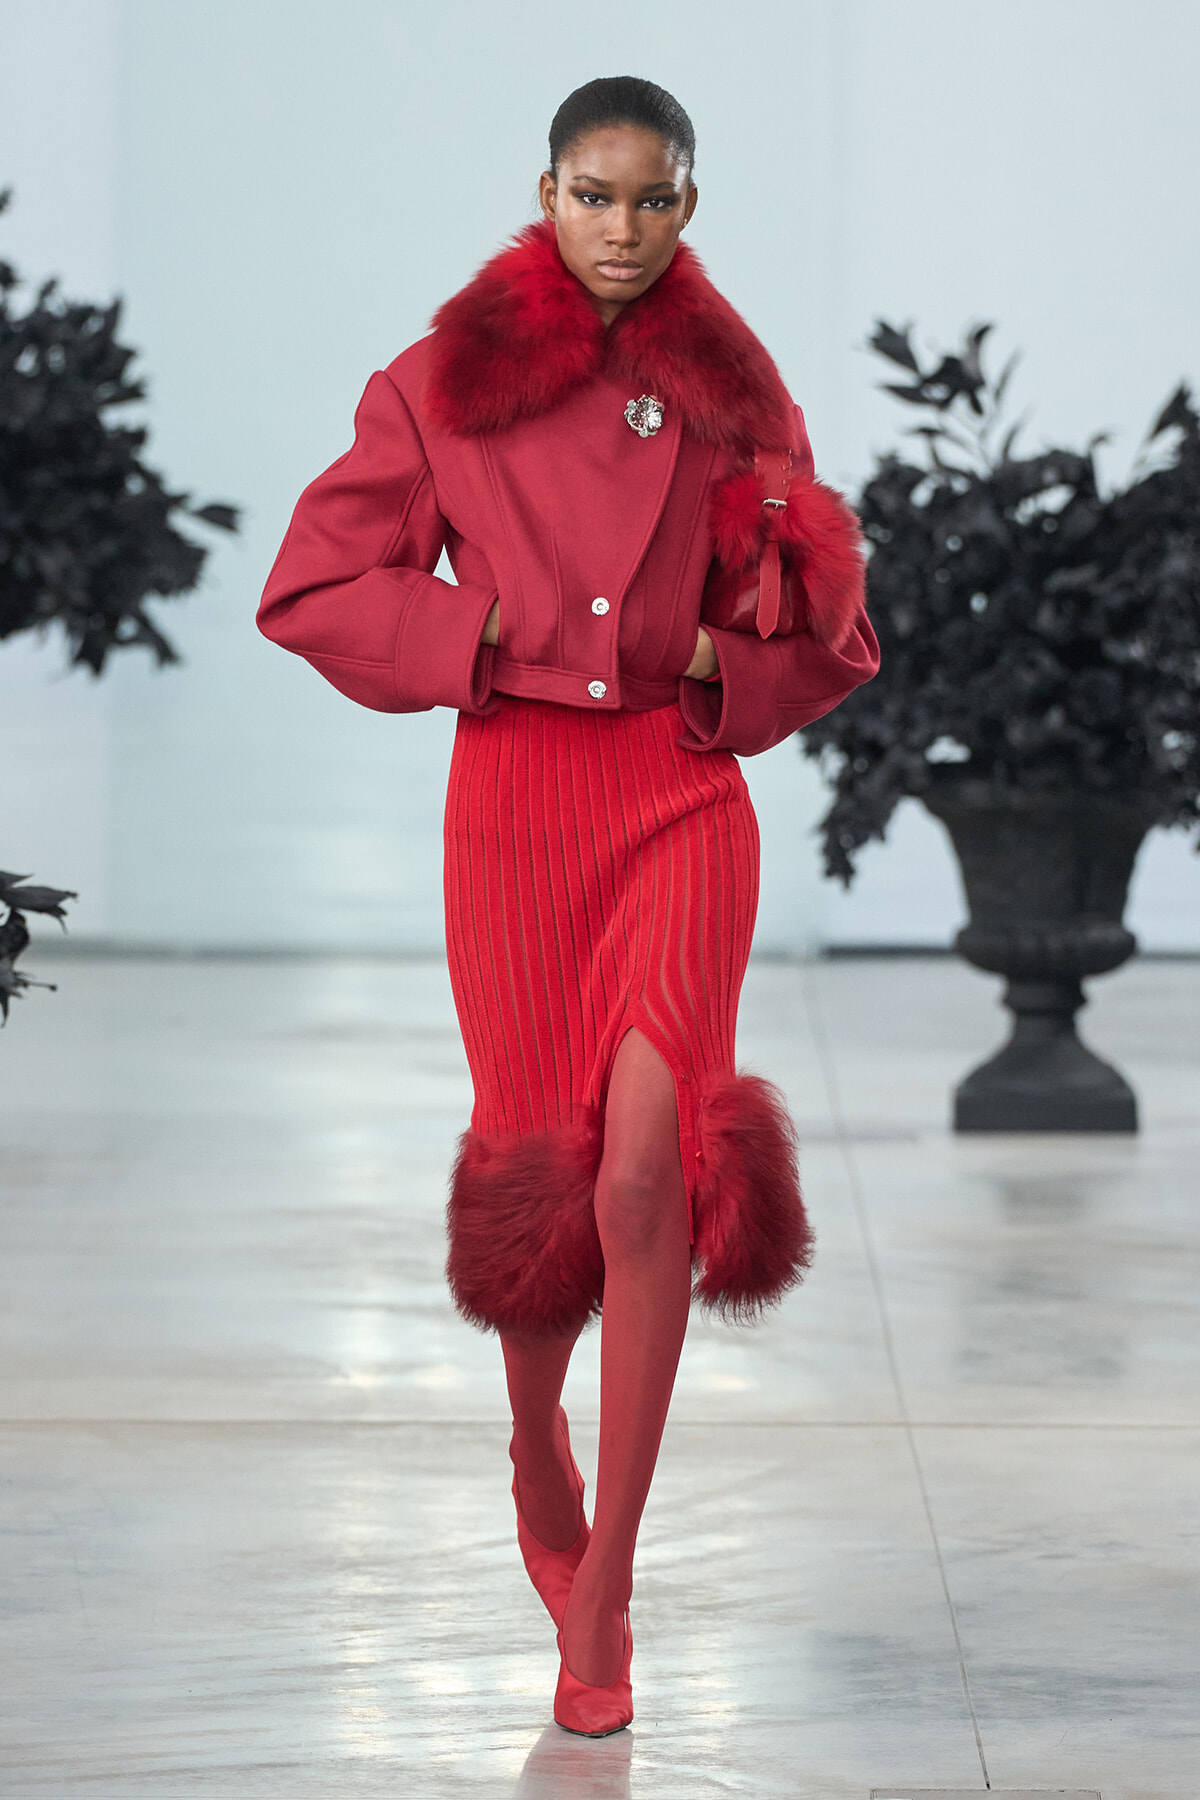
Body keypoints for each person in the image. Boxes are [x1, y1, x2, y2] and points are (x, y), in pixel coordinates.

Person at [258, 75, 879, 1737]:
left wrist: (705, 659)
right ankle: (538, 1442)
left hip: (679, 794)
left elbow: (827, 636)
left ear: (691, 206)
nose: (621, 230)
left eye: (652, 200)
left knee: (654, 1166)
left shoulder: (739, 399)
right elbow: (310, 588)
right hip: (519, 810)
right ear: (545, 194)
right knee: (543, 1165)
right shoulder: (439, 387)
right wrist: (483, 646)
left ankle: (605, 1580)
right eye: (592, 197)